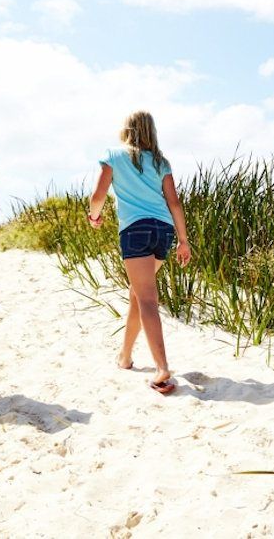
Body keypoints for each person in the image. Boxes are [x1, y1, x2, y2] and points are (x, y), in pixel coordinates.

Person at [88, 110, 191, 395]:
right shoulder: (161, 162)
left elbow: (98, 196)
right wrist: (183, 240)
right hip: (163, 231)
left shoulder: (114, 156)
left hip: (135, 230)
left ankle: (161, 368)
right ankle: (125, 356)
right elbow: (175, 202)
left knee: (146, 297)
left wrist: (94, 217)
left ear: (127, 130)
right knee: (137, 292)